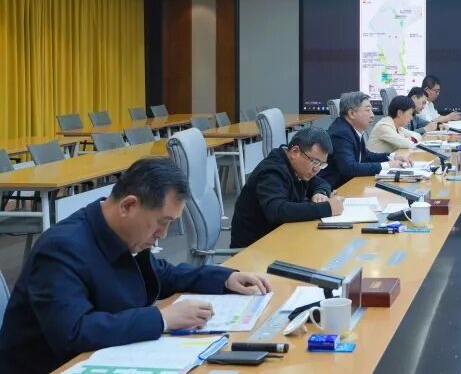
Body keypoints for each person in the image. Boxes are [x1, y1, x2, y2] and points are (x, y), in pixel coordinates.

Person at [0, 158, 272, 374]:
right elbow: (73, 332)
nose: (163, 234)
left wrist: (224, 278)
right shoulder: (62, 248)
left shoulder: (121, 232)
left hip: (105, 356)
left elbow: (161, 273)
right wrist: (162, 319)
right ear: (128, 205)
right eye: (162, 222)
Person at [231, 127, 344, 248]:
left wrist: (320, 193)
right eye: (315, 162)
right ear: (295, 152)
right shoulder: (271, 172)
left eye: (322, 164)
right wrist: (326, 208)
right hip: (254, 249)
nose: (316, 169)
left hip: (280, 237)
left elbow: (321, 183)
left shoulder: (299, 167)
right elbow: (277, 211)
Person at [320, 91, 413, 190]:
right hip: (334, 190)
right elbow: (349, 168)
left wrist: (392, 156)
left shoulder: (351, 129)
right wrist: (387, 165)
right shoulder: (341, 133)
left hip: (350, 185)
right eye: (368, 110)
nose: (372, 115)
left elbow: (366, 155)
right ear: (351, 113)